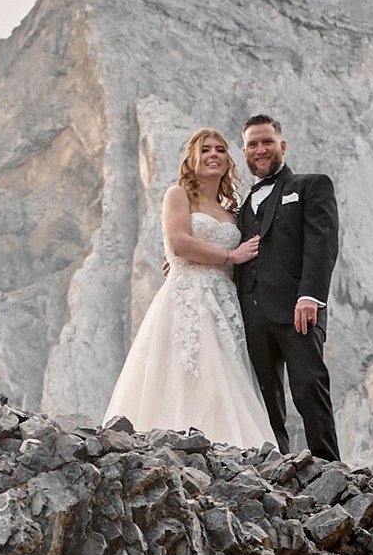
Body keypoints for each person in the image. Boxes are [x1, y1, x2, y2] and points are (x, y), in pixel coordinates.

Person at [101, 128, 276, 448]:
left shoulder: (231, 213)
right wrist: (229, 255)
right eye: (205, 149)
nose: (213, 155)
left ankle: (226, 448)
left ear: (228, 161)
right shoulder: (178, 196)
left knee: (222, 379)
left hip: (224, 302)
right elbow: (179, 242)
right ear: (192, 160)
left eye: (220, 150)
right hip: (187, 297)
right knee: (188, 370)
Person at [232, 111, 340, 459]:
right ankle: (277, 466)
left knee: (309, 385)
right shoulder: (241, 205)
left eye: (267, 142)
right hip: (251, 312)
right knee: (265, 396)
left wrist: (310, 296)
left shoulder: (311, 185)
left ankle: (327, 464)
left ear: (282, 145)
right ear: (244, 151)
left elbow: (322, 244)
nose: (260, 149)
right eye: (253, 144)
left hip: (298, 308)